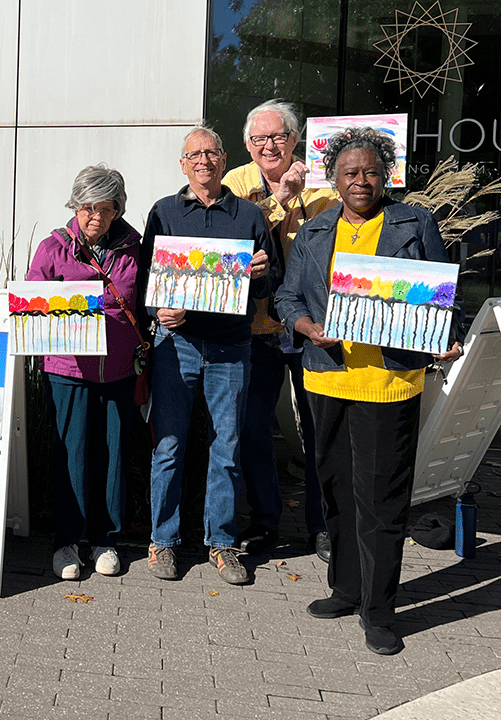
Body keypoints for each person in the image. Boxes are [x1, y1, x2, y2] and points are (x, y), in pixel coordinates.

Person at [274, 126, 463, 655]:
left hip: (388, 379)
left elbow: (445, 298)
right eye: (351, 172)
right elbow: (288, 297)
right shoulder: (313, 232)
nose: (362, 181)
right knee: (334, 486)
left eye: (372, 172)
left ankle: (379, 611)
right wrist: (308, 327)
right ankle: (347, 588)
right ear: (332, 178)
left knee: (381, 498)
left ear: (387, 176)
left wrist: (445, 337)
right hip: (327, 376)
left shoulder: (414, 222)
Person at [143, 125, 276, 585]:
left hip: (231, 346)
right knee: (169, 446)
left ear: (224, 161)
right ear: (183, 164)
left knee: (227, 448)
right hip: (175, 346)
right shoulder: (163, 213)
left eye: (212, 153)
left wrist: (259, 273)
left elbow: (265, 287)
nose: (203, 160)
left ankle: (220, 543)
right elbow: (145, 281)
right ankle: (163, 542)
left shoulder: (249, 216)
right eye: (194, 154)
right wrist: (158, 310)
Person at [224, 100, 340, 561]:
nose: (268, 146)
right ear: (248, 145)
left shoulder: (328, 187)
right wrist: (282, 202)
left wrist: (300, 202)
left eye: (277, 137)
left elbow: (332, 250)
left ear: (295, 139)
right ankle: (266, 521)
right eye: (259, 139)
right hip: (254, 330)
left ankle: (323, 525)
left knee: (319, 430)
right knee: (253, 429)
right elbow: (237, 241)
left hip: (311, 328)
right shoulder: (234, 182)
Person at [26, 164, 143, 579]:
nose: (96, 217)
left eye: (106, 209)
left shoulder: (134, 249)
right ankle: (67, 541)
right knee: (70, 453)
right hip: (66, 368)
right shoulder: (52, 248)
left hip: (118, 368)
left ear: (118, 210)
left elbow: (146, 304)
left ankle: (106, 539)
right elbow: (31, 306)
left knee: (112, 454)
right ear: (75, 206)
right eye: (88, 208)